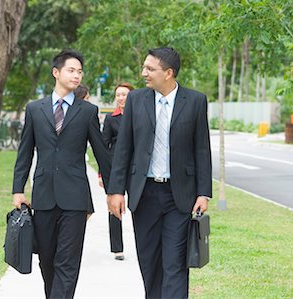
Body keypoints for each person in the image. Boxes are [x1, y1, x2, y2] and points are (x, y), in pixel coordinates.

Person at [107, 47, 212, 299]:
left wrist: (203, 193)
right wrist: (115, 191)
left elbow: (202, 149)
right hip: (145, 194)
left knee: (175, 264)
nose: (144, 73)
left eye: (150, 69)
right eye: (144, 67)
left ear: (168, 73)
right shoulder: (136, 100)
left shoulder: (195, 101)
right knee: (149, 263)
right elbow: (124, 148)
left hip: (180, 196)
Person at [12, 49, 111, 299]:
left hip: (75, 199)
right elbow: (25, 152)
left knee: (67, 263)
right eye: (71, 70)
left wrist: (114, 191)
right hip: (44, 196)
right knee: (46, 261)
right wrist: (17, 190)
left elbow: (101, 153)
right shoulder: (35, 109)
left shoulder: (88, 111)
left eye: (79, 71)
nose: (76, 75)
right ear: (56, 72)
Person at [100, 82, 134, 260]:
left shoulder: (139, 115)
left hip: (136, 169)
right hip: (115, 169)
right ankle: (117, 248)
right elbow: (104, 147)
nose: (121, 98)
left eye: (125, 95)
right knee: (114, 208)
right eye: (118, 95)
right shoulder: (111, 119)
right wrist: (101, 173)